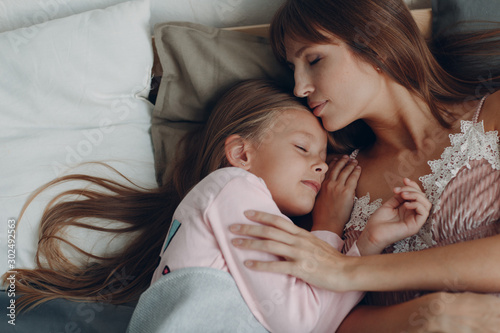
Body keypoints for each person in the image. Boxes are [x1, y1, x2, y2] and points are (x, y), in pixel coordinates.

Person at [5, 79, 431, 332]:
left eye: (322, 158)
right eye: (303, 148)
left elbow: (315, 323)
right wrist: (330, 232)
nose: (320, 167)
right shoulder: (232, 188)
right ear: (241, 154)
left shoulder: (249, 214)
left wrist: (368, 242)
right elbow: (300, 322)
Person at [228, 0, 500, 332]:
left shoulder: (494, 114)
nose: (300, 87)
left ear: (376, 47)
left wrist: (346, 271)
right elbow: (315, 318)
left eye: (314, 59)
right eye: (293, 69)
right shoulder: (329, 179)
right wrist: (428, 315)